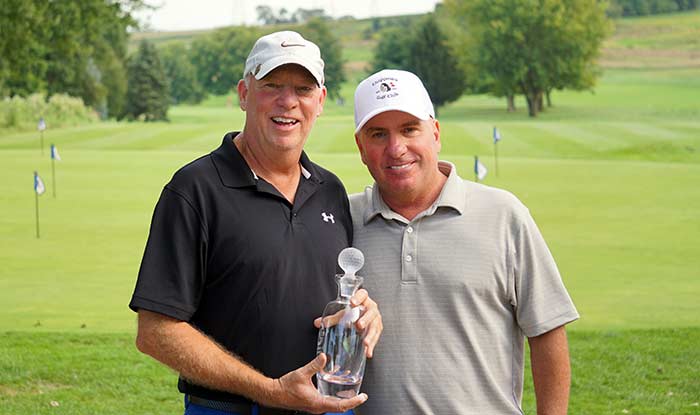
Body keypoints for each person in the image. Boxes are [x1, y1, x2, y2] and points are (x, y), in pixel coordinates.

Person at [129, 31, 382, 415]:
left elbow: (322, 296)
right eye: (272, 86)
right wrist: (270, 390)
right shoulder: (195, 190)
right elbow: (156, 332)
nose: (288, 102)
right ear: (244, 93)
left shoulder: (330, 189)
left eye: (302, 88)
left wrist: (359, 313)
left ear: (321, 101)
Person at [349, 69, 579, 414]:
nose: (396, 149)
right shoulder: (341, 220)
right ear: (361, 147)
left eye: (410, 130)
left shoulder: (504, 214)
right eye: (378, 134)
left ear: (436, 133)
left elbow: (547, 333)